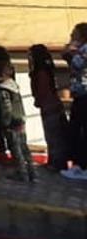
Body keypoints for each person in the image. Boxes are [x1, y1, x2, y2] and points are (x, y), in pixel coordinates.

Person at [0, 60, 36, 182]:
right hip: (20, 120)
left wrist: (5, 124)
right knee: (24, 147)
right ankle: (32, 171)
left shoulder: (3, 90)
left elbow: (6, 109)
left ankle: (22, 172)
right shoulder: (14, 87)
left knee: (16, 149)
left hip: (11, 123)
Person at [29, 43, 70, 172]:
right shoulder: (47, 70)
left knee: (53, 136)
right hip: (53, 105)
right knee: (55, 135)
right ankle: (55, 161)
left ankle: (56, 163)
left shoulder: (40, 72)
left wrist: (39, 101)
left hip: (48, 106)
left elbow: (43, 90)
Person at [61, 22, 87, 181]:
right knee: (76, 129)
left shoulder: (84, 50)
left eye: (74, 34)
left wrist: (70, 51)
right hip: (80, 94)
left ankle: (82, 166)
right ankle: (78, 165)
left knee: (80, 130)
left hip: (85, 95)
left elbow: (77, 64)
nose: (71, 36)